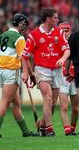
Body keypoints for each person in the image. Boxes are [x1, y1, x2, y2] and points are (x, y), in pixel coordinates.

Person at [22, 8, 70, 136]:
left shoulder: (59, 32)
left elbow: (67, 50)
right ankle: (49, 128)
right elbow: (25, 55)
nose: (57, 20)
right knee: (47, 98)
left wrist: (62, 59)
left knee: (53, 102)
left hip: (57, 70)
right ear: (48, 19)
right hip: (42, 69)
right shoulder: (34, 34)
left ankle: (43, 125)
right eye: (55, 17)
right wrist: (25, 72)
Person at [0, 13, 38, 138]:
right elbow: (24, 58)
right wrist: (30, 74)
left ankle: (26, 131)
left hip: (0, 71)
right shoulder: (19, 38)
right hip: (11, 71)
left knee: (16, 103)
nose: (25, 27)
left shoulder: (1, 36)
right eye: (25, 24)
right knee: (5, 101)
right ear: (21, 24)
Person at [58, 22, 79, 136]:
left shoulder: (75, 44)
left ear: (70, 32)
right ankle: (67, 129)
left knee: (75, 108)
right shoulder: (56, 44)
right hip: (62, 78)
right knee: (64, 106)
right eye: (63, 31)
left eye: (67, 31)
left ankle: (73, 128)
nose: (65, 33)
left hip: (75, 79)